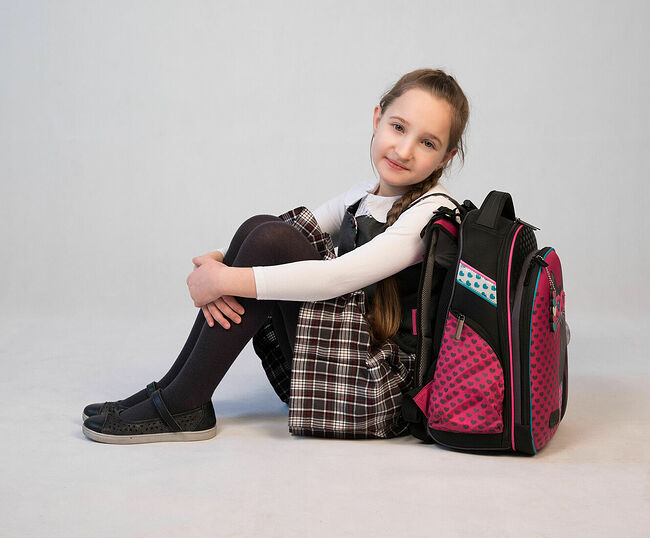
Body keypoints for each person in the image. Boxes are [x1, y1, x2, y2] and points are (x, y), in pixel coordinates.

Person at [82, 67, 470, 444]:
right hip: (337, 365)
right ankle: (174, 390)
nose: (404, 150)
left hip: (380, 392)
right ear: (377, 118)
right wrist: (216, 260)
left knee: (271, 241)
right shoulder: (364, 195)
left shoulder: (431, 212)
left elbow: (337, 278)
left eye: (427, 142)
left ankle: (183, 401)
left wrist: (224, 280)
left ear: (446, 157)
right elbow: (295, 225)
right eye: (398, 127)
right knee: (263, 226)